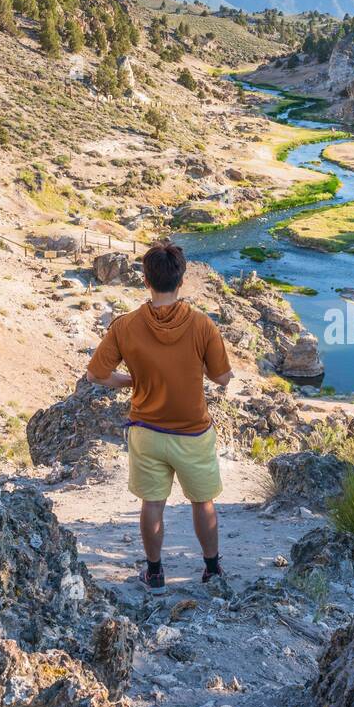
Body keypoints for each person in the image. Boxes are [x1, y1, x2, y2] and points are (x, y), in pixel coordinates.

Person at [85, 241, 233, 593]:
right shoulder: (202, 326)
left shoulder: (125, 326)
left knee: (152, 503)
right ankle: (212, 570)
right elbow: (223, 378)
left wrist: (131, 380)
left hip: (146, 430)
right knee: (203, 501)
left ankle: (154, 573)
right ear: (181, 281)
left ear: (145, 281)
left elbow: (96, 375)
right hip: (193, 432)